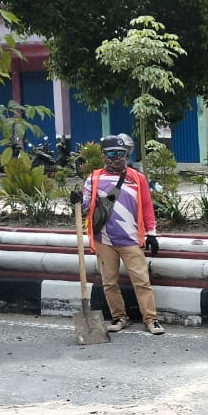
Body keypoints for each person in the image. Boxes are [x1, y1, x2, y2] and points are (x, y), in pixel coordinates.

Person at [70, 135, 164, 335]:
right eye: (111, 154)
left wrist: (151, 234)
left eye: (121, 154)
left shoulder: (137, 178)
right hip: (104, 239)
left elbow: (147, 206)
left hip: (130, 239)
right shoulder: (94, 178)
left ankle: (151, 319)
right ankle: (119, 317)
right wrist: (77, 200)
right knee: (109, 282)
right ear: (103, 155)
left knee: (141, 281)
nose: (116, 158)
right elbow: (86, 205)